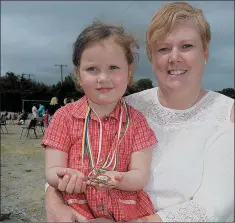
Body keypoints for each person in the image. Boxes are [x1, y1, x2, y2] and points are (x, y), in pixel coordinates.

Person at [44, 2, 234, 222]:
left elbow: (212, 208)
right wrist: (54, 199)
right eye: (163, 49)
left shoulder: (227, 116)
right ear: (152, 57)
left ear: (206, 52)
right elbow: (66, 161)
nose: (174, 57)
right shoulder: (125, 105)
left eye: (186, 46)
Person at [42, 21, 158, 222]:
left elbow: (140, 176)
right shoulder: (64, 117)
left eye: (113, 67)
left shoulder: (137, 121)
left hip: (125, 213)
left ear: (129, 72)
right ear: (78, 75)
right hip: (77, 209)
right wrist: (65, 176)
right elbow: (52, 171)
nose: (103, 77)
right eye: (92, 69)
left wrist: (118, 180)